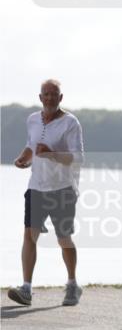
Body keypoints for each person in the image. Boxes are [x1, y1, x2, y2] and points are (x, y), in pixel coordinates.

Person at [8, 79, 84, 307]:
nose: (50, 97)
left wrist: (52, 154)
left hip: (62, 189)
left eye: (54, 94)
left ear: (61, 98)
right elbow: (31, 146)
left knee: (64, 239)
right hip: (36, 187)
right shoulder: (32, 120)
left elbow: (78, 159)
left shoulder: (71, 123)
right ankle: (26, 288)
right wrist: (23, 158)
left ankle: (72, 284)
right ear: (40, 97)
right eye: (46, 94)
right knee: (29, 235)